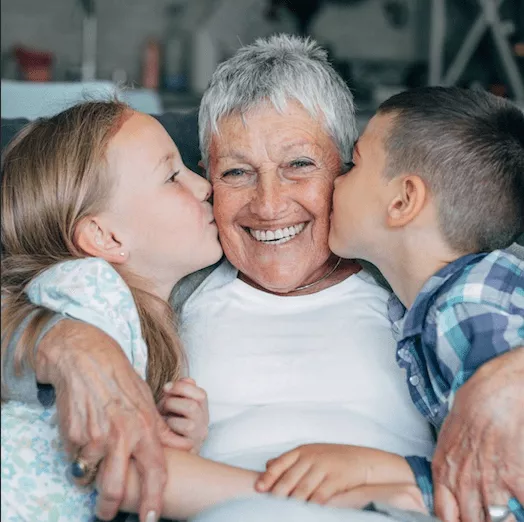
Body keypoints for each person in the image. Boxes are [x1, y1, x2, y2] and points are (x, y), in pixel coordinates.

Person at [1, 36, 523, 522]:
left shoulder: (418, 277)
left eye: (298, 164)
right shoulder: (170, 280)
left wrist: (508, 372)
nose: (269, 205)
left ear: (347, 169)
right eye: (235, 173)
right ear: (207, 176)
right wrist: (71, 343)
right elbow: (34, 282)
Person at [277, 86, 524, 519]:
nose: (334, 180)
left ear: (403, 201)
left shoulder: (465, 311)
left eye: (354, 164)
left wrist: (382, 473)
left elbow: (499, 489)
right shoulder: (461, 293)